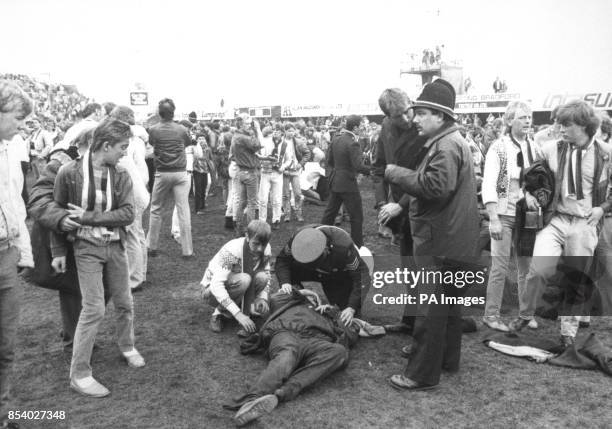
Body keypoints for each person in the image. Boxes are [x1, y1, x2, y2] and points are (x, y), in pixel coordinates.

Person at [385, 79, 479, 390]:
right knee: (450, 309)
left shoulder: (446, 145)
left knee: (428, 310)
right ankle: (447, 360)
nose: (415, 119)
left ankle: (420, 374)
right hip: (455, 239)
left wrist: (395, 172)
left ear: (440, 116)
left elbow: (435, 188)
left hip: (440, 241)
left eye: (422, 113)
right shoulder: (452, 142)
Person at [52, 117, 145, 398]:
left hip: (116, 246)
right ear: (105, 146)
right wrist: (58, 251)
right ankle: (79, 374)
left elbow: (129, 213)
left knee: (125, 302)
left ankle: (127, 346)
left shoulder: (122, 174)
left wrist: (89, 218)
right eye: (122, 147)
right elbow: (57, 213)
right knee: (94, 309)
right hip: (86, 249)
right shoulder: (68, 172)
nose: (125, 153)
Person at [509, 100, 612, 347]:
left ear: (585, 126)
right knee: (539, 270)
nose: (561, 129)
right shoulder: (551, 148)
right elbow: (529, 177)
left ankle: (568, 332)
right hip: (555, 220)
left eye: (567, 124)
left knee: (577, 278)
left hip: (585, 222)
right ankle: (525, 314)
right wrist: (530, 194)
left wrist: (602, 208)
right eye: (560, 124)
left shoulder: (606, 153)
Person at [225, 289, 358, 427]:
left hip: (317, 341)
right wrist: (304, 293)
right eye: (311, 297)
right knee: (286, 355)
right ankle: (253, 400)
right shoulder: (289, 303)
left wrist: (334, 314)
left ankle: (282, 393)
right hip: (287, 333)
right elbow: (276, 297)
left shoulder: (330, 316)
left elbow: (351, 336)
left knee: (340, 352)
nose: (314, 299)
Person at [374, 88, 428, 335]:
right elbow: (379, 168)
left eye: (408, 111)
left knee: (424, 269)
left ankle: (427, 326)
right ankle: (410, 321)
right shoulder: (385, 128)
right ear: (387, 116)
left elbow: (424, 178)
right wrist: (381, 206)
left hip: (420, 207)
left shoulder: (422, 127)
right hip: (397, 211)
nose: (407, 119)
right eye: (399, 116)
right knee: (408, 269)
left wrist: (400, 205)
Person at [481, 101, 539, 332]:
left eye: (529, 117)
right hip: (504, 215)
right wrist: (493, 217)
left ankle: (525, 314)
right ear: (509, 121)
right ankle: (491, 315)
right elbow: (488, 185)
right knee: (500, 267)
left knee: (527, 267)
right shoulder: (498, 147)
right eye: (522, 117)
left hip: (527, 216)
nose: (527, 121)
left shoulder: (535, 148)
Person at [0, 79, 35, 429]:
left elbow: (17, 203)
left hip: (7, 255)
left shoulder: (13, 148)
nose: (22, 125)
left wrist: (23, 252)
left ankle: (3, 414)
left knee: (6, 346)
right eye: (17, 117)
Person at [275, 225, 370, 327]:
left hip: (337, 273)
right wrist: (285, 283)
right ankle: (299, 300)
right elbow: (282, 260)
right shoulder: (298, 240)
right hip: (309, 271)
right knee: (290, 273)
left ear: (326, 250)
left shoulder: (343, 248)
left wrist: (351, 307)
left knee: (345, 318)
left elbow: (361, 276)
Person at [201, 220, 271, 335]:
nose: (260, 249)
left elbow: (266, 272)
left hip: (236, 282)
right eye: (256, 243)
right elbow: (216, 285)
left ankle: (245, 305)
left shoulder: (266, 248)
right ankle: (219, 312)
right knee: (244, 279)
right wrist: (239, 315)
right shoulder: (232, 249)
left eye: (263, 244)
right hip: (210, 290)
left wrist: (261, 297)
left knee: (262, 277)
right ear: (247, 236)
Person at [146, 98, 193, 258]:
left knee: (156, 209)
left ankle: (152, 247)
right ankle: (187, 251)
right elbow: (186, 144)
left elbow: (153, 144)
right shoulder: (181, 129)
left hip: (162, 173)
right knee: (183, 210)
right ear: (173, 112)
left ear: (160, 113)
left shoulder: (153, 129)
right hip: (180, 172)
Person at [110, 106, 150, 293]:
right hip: (140, 189)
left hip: (133, 191)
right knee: (138, 233)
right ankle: (140, 272)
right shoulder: (136, 140)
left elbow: (127, 169)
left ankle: (135, 279)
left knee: (132, 234)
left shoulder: (125, 142)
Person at [321, 115, 371, 247]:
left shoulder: (336, 139)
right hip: (348, 184)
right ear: (355, 127)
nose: (363, 128)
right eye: (361, 125)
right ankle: (357, 247)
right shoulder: (353, 142)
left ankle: (319, 239)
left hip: (336, 181)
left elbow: (330, 160)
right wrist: (373, 171)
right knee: (356, 217)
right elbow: (358, 166)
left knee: (329, 214)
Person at [231, 114, 262, 236]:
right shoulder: (244, 137)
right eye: (247, 123)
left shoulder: (236, 136)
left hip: (241, 171)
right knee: (252, 203)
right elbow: (258, 145)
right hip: (249, 172)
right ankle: (251, 230)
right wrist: (257, 130)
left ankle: (239, 228)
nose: (250, 126)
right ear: (241, 124)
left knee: (242, 202)